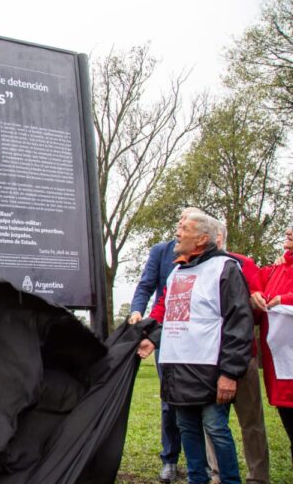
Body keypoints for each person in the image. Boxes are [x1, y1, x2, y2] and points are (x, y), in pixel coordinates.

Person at [138, 212, 254, 484]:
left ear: (202, 238)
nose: (177, 234)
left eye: (184, 228)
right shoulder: (177, 271)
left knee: (215, 428)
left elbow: (239, 322)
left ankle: (229, 480)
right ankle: (196, 480)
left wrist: (230, 373)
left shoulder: (226, 268)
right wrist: (151, 338)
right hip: (177, 368)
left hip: (210, 369)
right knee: (186, 428)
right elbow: (167, 311)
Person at [128, 206, 202, 483]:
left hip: (198, 338)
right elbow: (146, 285)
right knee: (169, 400)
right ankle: (169, 459)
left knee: (201, 402)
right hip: (166, 335)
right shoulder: (161, 251)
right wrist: (138, 311)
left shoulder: (205, 255)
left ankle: (201, 463)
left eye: (187, 221)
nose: (181, 224)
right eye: (180, 219)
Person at [203, 220, 269, 483]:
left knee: (251, 422)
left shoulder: (243, 263)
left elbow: (255, 305)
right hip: (207, 358)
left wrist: (256, 299)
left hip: (243, 358)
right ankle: (217, 474)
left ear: (218, 237)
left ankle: (258, 476)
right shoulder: (196, 267)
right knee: (212, 424)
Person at [252, 225, 293, 468]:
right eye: (287, 229)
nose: (287, 232)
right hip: (283, 368)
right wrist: (256, 297)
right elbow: (256, 286)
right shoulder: (276, 269)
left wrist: (286, 300)